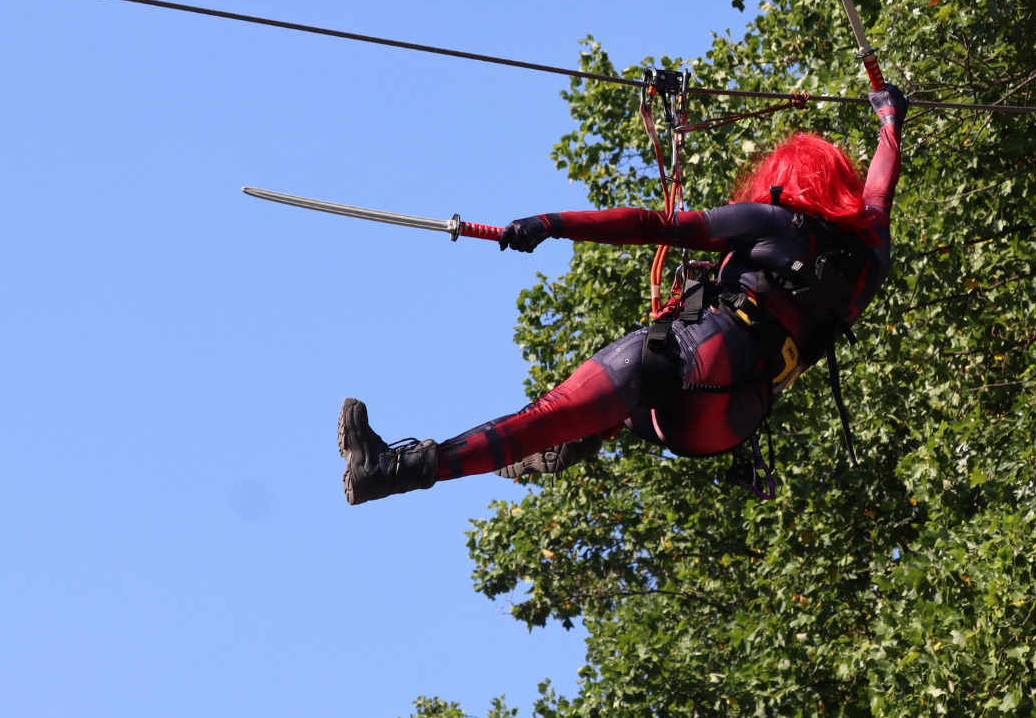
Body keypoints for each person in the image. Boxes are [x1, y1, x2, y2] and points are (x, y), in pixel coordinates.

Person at [337, 86, 908, 504]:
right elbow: (879, 190)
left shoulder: (776, 221)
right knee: (613, 401)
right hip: (728, 421)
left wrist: (552, 222)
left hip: (698, 367)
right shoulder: (868, 260)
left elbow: (652, 224)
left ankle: (393, 467)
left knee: (553, 411)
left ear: (791, 180)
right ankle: (572, 440)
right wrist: (890, 124)